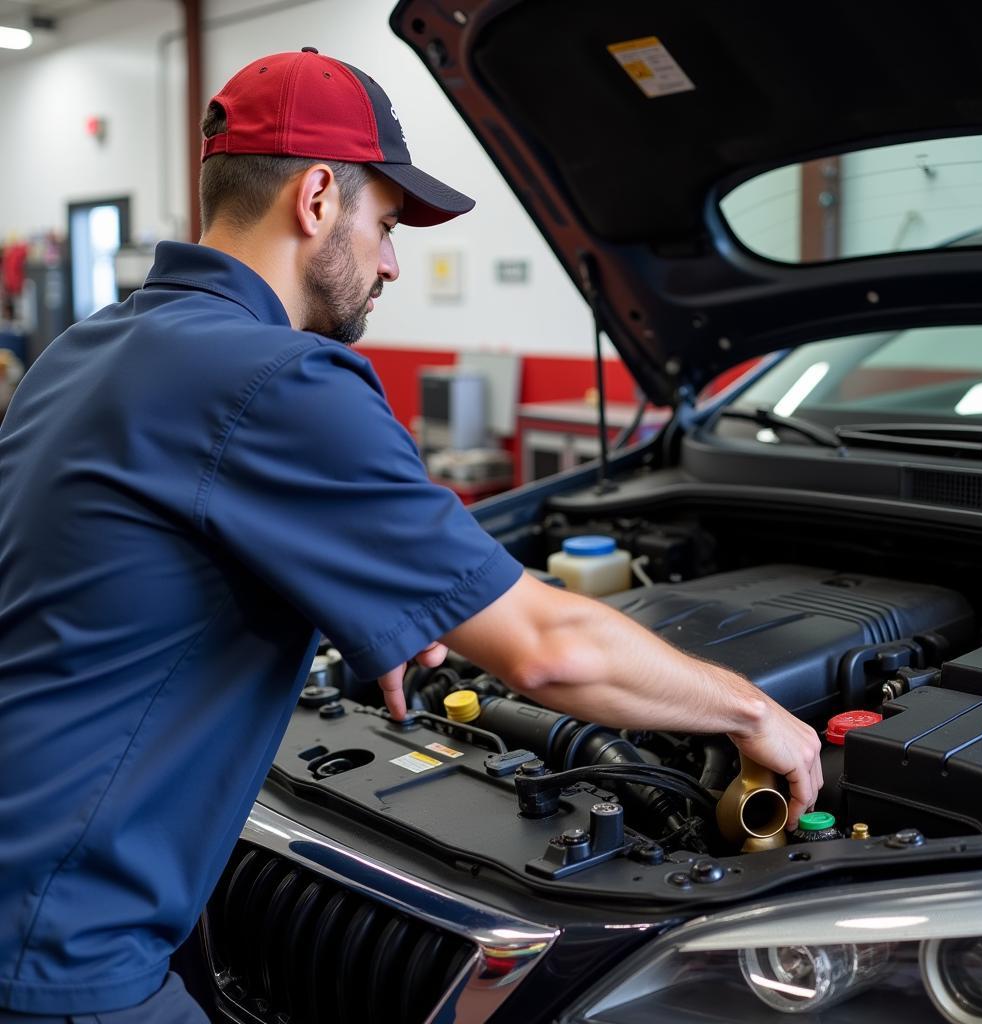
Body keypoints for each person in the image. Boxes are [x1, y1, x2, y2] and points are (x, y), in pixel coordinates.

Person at [0, 48, 821, 1023]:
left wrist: (368, 610)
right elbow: (549, 652)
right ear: (315, 197)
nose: (392, 262)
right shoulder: (276, 380)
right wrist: (750, 713)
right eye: (385, 224)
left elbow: (140, 572)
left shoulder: (88, 348)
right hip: (62, 950)